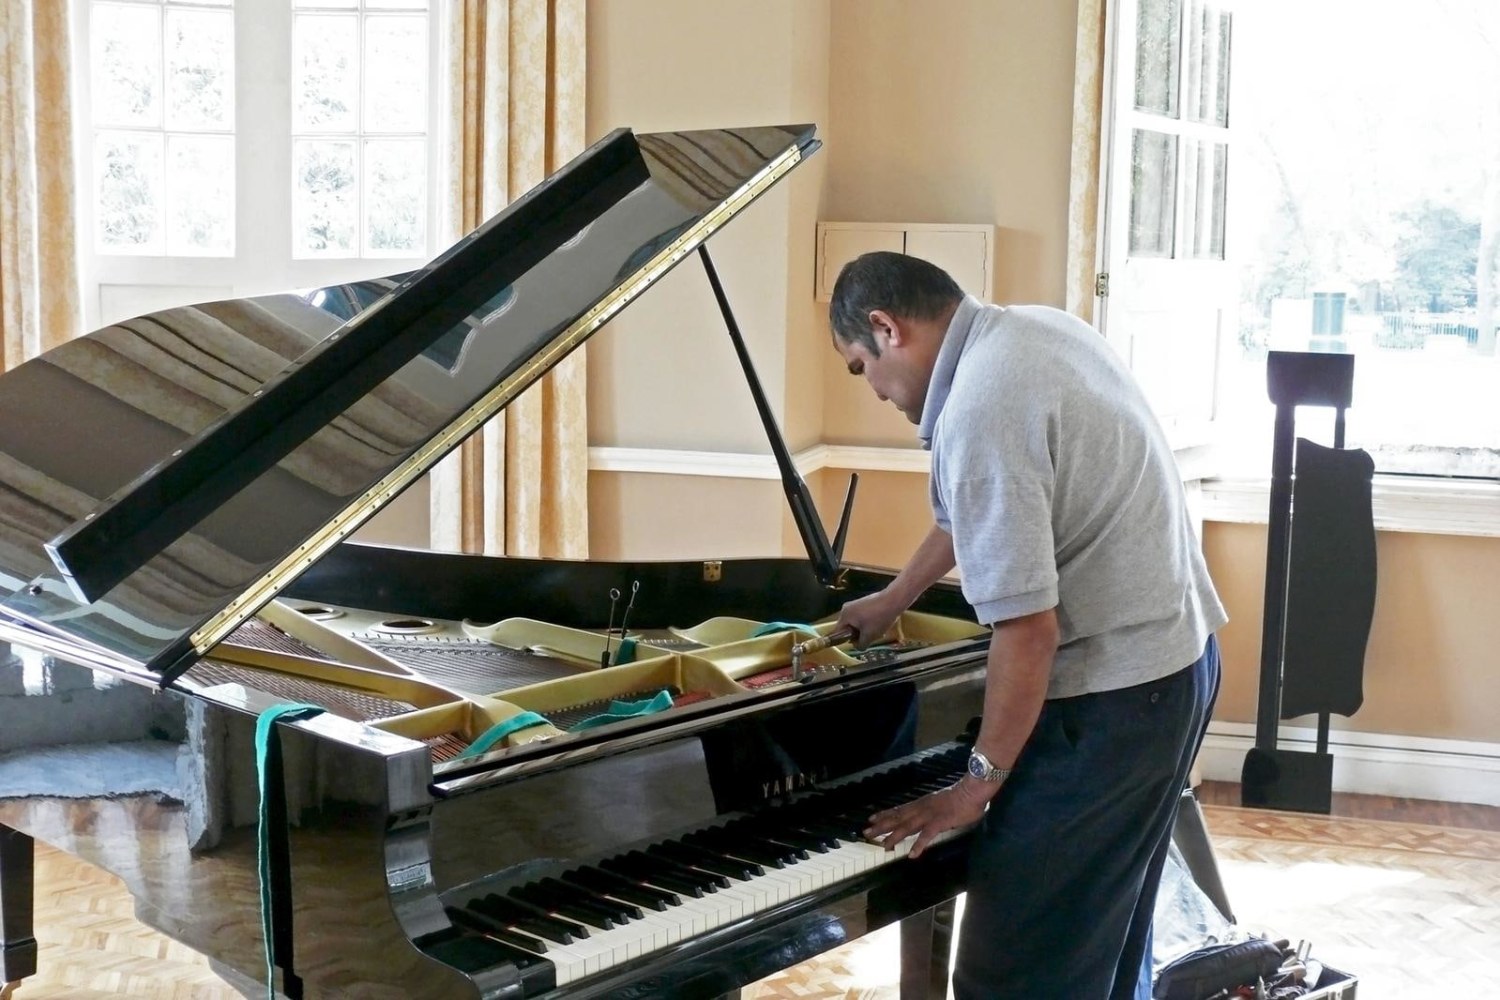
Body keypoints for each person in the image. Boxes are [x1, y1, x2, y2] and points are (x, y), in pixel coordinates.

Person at [828, 251, 1226, 999]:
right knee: (1104, 946)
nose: (873, 390)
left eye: (861, 367)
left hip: (1112, 703)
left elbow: (1028, 632)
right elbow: (972, 512)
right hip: (1179, 663)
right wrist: (894, 599)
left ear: (886, 328)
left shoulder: (982, 409)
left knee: (1014, 974)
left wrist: (974, 786)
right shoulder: (1032, 333)